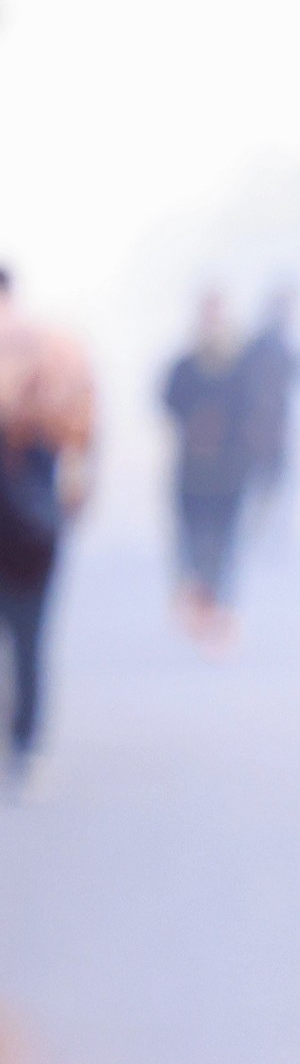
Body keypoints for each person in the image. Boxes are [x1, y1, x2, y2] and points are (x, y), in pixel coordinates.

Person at [0, 266, 97, 797]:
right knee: (30, 637)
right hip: (34, 519)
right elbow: (80, 432)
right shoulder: (55, 347)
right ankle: (27, 745)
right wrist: (75, 495)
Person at [162, 292, 260, 647]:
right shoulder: (185, 365)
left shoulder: (242, 366)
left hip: (229, 472)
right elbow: (168, 402)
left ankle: (219, 610)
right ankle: (199, 607)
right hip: (191, 472)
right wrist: (195, 425)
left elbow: (253, 411)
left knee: (224, 545)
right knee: (192, 544)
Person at [237, 283, 300, 540]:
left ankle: (265, 533)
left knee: (273, 486)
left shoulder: (283, 344)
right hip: (258, 427)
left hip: (277, 426)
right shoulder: (260, 344)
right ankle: (254, 532)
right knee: (257, 486)